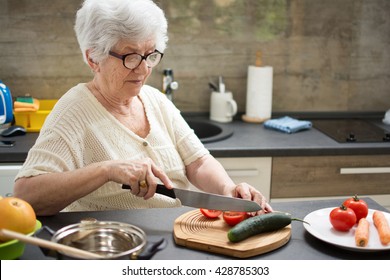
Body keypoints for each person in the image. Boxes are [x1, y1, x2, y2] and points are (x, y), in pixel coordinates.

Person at [13, 0, 273, 216]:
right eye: (131, 56)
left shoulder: (155, 99)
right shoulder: (74, 111)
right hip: (115, 247)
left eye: (151, 55)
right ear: (93, 58)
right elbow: (26, 196)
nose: (144, 68)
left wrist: (228, 191)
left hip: (176, 237)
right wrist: (108, 170)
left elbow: (198, 161)